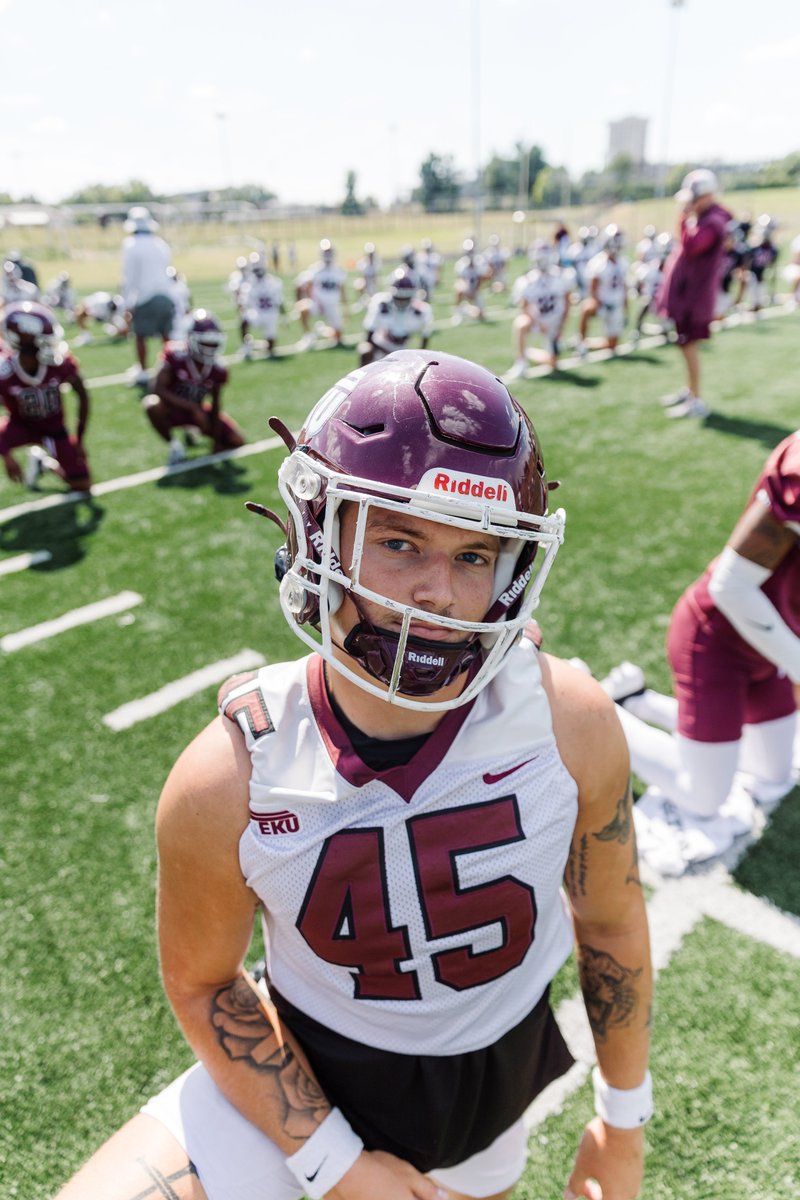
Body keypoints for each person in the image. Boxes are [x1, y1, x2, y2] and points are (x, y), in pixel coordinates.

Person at [55, 350, 653, 1200]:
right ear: (315, 532)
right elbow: (204, 979)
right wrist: (333, 1163)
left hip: (488, 1088)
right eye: (400, 539)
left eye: (476, 556)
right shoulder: (229, 777)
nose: (438, 594)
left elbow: (612, 922)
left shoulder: (569, 723)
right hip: (300, 1077)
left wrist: (622, 1124)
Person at [601, 431, 800, 877]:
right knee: (702, 796)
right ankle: (591, 709)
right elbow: (729, 585)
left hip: (775, 644)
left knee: (772, 775)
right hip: (718, 641)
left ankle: (638, 700)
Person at [656, 169, 732, 420]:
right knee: (684, 344)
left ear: (706, 195)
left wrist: (684, 218)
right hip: (688, 295)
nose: (689, 203)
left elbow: (692, 246)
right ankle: (690, 391)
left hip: (694, 298)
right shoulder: (706, 218)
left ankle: (696, 399)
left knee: (688, 345)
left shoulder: (712, 222)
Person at [0, 300, 91, 492]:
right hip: (20, 425)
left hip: (54, 429)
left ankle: (44, 464)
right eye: (45, 341)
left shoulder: (60, 364)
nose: (51, 346)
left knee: (83, 485)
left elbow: (83, 396)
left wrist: (80, 439)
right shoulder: (4, 372)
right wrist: (7, 456)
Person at [142, 309, 244, 466]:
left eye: (213, 343)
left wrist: (216, 440)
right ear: (191, 339)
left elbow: (216, 404)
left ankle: (193, 430)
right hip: (173, 410)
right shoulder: (175, 355)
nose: (209, 348)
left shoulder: (218, 369)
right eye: (205, 343)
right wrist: (192, 408)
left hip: (198, 411)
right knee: (151, 404)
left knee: (236, 440)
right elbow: (157, 389)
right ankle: (175, 446)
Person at [121, 204, 175, 387]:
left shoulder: (131, 245)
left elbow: (130, 278)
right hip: (167, 295)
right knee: (166, 335)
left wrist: (127, 304)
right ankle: (173, 366)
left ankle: (143, 371)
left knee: (140, 335)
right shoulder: (160, 244)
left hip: (146, 296)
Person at [506, 240, 573, 376]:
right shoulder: (527, 280)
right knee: (521, 323)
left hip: (554, 324)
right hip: (537, 322)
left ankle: (527, 351)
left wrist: (561, 327)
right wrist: (537, 323)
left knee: (553, 363)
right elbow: (525, 307)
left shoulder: (562, 276)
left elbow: (567, 303)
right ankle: (521, 363)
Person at [357, 268, 432, 365]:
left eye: (405, 298)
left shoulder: (422, 310)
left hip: (402, 352)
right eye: (399, 298)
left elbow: (425, 338)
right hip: (379, 348)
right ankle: (363, 377)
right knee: (365, 349)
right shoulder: (380, 303)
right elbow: (368, 338)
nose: (402, 302)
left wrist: (418, 359)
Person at [575, 226, 628, 358]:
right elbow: (593, 289)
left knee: (612, 346)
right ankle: (581, 341)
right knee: (586, 308)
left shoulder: (623, 262)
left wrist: (626, 308)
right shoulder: (598, 262)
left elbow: (624, 287)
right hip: (602, 304)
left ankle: (587, 343)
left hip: (616, 306)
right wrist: (600, 303)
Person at [297, 239, 348, 348]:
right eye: (326, 252)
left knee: (339, 338)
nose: (328, 255)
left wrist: (345, 308)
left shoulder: (338, 270)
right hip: (318, 304)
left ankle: (322, 330)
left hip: (332, 306)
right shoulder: (315, 269)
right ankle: (308, 336)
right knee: (302, 308)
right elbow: (307, 287)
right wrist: (315, 300)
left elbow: (342, 290)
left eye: (329, 252)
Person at [238, 255, 285, 358]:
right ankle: (246, 344)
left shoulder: (274, 282)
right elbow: (244, 303)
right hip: (258, 314)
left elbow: (279, 302)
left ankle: (255, 344)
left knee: (271, 349)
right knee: (243, 319)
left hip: (270, 315)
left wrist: (283, 317)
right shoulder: (250, 283)